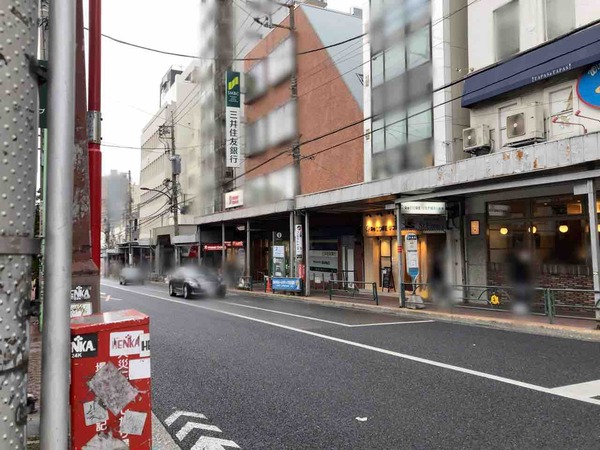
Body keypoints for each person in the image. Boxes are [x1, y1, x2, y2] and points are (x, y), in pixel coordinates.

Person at [507, 247, 533, 315]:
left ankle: (521, 308)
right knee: (520, 295)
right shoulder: (519, 264)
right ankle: (520, 309)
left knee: (521, 295)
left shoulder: (520, 264)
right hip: (520, 281)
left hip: (521, 281)